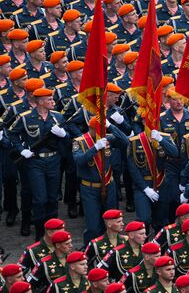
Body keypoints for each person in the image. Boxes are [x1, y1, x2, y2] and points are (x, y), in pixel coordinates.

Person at [8, 88, 69, 240]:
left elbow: (68, 137)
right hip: (35, 161)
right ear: (40, 102)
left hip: (54, 160)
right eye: (49, 100)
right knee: (40, 199)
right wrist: (22, 149)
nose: (52, 102)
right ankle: (40, 234)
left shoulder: (58, 117)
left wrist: (63, 134)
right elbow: (11, 133)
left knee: (52, 198)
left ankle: (54, 233)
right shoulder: (25, 117)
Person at [73, 117, 129, 245]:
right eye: (99, 130)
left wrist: (111, 126)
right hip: (90, 188)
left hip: (109, 185)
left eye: (104, 130)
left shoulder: (107, 138)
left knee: (112, 222)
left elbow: (125, 141)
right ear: (91, 128)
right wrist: (95, 148)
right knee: (93, 227)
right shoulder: (79, 142)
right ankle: (90, 252)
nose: (102, 133)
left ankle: (113, 250)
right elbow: (79, 161)